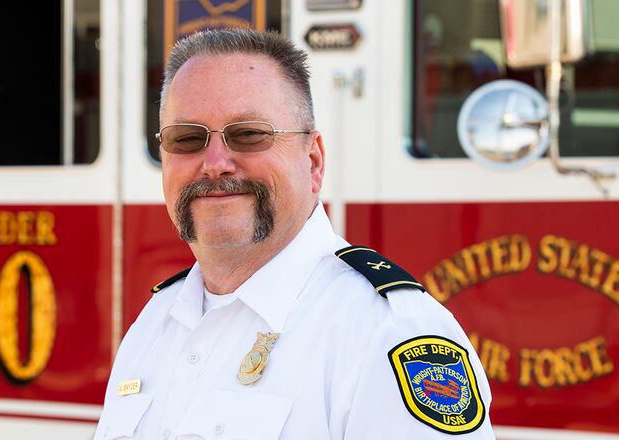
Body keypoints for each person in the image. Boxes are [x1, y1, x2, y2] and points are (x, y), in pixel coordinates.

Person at [94, 28, 494, 439]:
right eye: (187, 138)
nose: (214, 163)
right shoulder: (155, 325)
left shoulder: (389, 333)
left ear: (314, 161)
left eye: (249, 134)